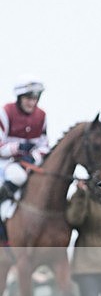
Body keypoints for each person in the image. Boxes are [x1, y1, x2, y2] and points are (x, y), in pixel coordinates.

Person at [0, 78, 50, 231]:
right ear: (19, 98)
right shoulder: (5, 112)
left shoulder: (41, 116)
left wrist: (33, 156)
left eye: (35, 98)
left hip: (29, 162)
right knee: (18, 176)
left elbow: (45, 145)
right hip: (5, 162)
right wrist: (18, 148)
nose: (31, 103)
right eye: (28, 98)